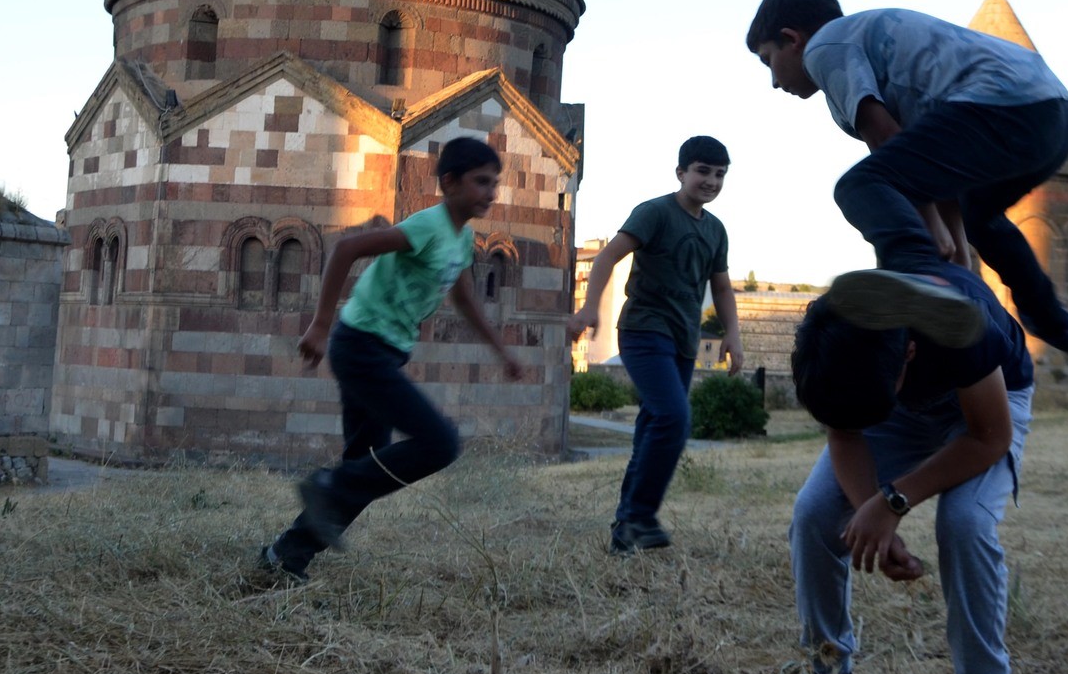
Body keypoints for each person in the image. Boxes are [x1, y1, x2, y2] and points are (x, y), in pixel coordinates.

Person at [745, 0, 1068, 360]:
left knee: (858, 186)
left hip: (998, 106)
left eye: (768, 60)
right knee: (980, 215)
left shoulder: (825, 47)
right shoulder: (872, 45)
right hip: (1051, 117)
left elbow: (883, 137)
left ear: (792, 38)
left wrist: (928, 253)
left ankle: (917, 277)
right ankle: (1055, 324)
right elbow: (929, 171)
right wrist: (959, 266)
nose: (773, 81)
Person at [775, 262, 1033, 674]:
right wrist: (871, 514)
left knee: (965, 523)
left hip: (986, 404)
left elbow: (988, 437)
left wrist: (893, 501)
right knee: (814, 513)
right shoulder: (842, 336)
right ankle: (828, 669)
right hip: (894, 400)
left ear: (909, 353)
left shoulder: (962, 323)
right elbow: (846, 432)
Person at [259, 136, 529, 581]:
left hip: (383, 353)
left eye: (494, 183)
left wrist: (502, 352)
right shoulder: (427, 226)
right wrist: (321, 324)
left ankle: (284, 556)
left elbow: (464, 300)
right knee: (439, 442)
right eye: (481, 182)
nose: (491, 192)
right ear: (450, 182)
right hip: (360, 346)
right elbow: (347, 249)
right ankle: (326, 486)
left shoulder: (461, 241)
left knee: (370, 465)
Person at [566, 135, 746, 554]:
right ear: (681, 172)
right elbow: (609, 256)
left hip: (683, 343)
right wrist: (591, 308)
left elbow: (720, 287)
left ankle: (624, 529)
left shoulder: (716, 231)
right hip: (645, 331)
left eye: (720, 175)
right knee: (673, 418)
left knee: (652, 429)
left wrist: (732, 335)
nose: (711, 181)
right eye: (703, 171)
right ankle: (641, 516)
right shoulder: (655, 213)